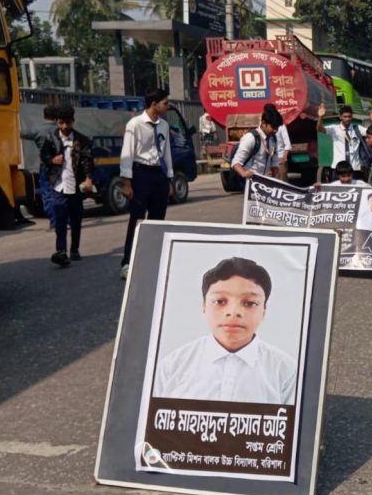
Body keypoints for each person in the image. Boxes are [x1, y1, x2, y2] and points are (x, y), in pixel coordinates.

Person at [153, 257, 296, 405]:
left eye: (250, 303)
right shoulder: (173, 365)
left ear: (264, 310)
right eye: (220, 301)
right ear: (204, 306)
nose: (233, 312)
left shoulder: (286, 370)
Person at [119, 89, 175, 280]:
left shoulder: (164, 126)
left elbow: (166, 152)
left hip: (158, 174)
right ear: (154, 104)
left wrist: (169, 179)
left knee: (157, 220)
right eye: (165, 103)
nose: (167, 106)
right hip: (140, 174)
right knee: (137, 220)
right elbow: (127, 154)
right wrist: (127, 183)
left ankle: (153, 260)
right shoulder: (135, 125)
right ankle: (128, 262)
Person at [40, 105, 93, 267]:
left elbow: (87, 161)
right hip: (58, 186)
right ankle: (61, 251)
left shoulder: (82, 140)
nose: (64, 127)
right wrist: (51, 160)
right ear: (56, 122)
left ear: (73, 122)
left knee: (76, 219)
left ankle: (74, 249)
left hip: (75, 186)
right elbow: (44, 156)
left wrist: (89, 179)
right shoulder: (50, 138)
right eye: (61, 123)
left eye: (68, 123)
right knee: (60, 220)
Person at [22, 104, 60, 231]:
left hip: (46, 165)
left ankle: (54, 222)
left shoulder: (38, 130)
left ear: (44, 116)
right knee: (62, 192)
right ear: (56, 117)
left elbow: (22, 134)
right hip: (61, 165)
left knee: (47, 193)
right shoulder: (61, 130)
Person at [231, 105, 283, 182]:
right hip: (249, 182)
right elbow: (235, 162)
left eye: (277, 128)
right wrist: (244, 173)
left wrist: (275, 178)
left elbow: (274, 162)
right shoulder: (250, 138)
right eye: (273, 127)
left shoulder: (273, 139)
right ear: (263, 123)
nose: (275, 130)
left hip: (263, 182)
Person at [329, 106, 370, 181]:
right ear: (340, 117)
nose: (347, 119)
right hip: (338, 169)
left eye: (349, 116)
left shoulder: (358, 129)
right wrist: (320, 117)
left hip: (354, 168)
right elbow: (320, 129)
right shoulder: (334, 129)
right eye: (345, 116)